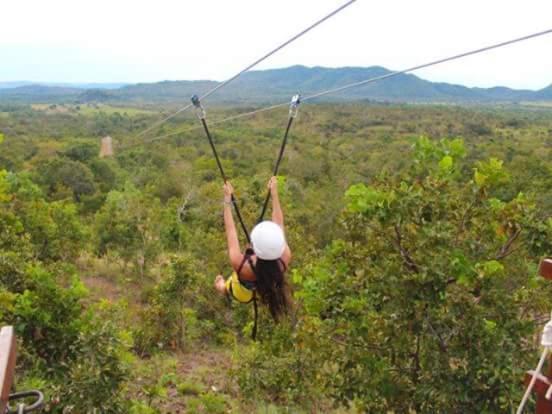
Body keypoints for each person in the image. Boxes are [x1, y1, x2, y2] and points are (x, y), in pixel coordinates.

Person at [215, 176, 292, 320]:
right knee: (261, 288)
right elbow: (279, 223)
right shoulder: (284, 257)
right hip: (268, 285)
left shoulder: (241, 265)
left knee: (227, 287)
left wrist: (227, 200)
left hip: (242, 291)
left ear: (254, 246)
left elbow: (231, 231)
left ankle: (221, 287)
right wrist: (274, 194)